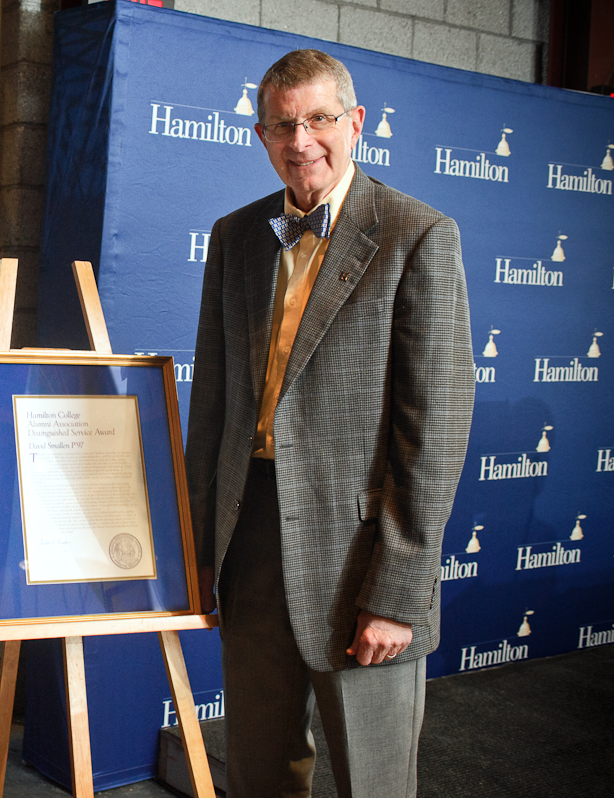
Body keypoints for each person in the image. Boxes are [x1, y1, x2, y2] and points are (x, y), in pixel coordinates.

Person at [185, 49, 474, 797]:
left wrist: (398, 592)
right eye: (282, 124)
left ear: (355, 123)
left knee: (373, 781)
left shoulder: (416, 234)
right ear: (260, 135)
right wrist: (197, 551)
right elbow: (211, 409)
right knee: (257, 771)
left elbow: (432, 430)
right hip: (247, 541)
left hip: (360, 556)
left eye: (317, 118)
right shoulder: (235, 236)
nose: (300, 139)